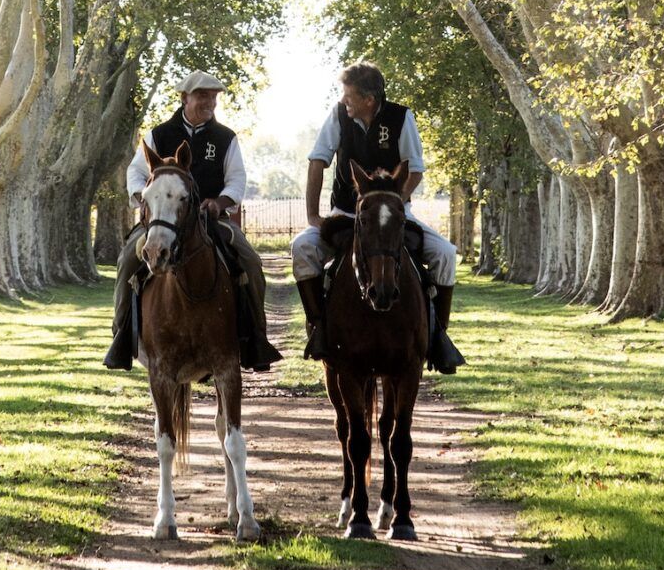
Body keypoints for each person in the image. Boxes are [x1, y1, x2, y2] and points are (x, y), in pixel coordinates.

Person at [292, 59, 466, 374]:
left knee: (445, 254)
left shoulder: (401, 117)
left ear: (368, 99)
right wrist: (313, 215)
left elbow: (414, 169)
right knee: (302, 248)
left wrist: (391, 206)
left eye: (349, 96)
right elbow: (317, 161)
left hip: (393, 212)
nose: (344, 100)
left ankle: (438, 337)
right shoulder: (338, 116)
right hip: (345, 214)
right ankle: (320, 329)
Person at [103, 70, 280, 371]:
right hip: (162, 222)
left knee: (251, 261)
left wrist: (219, 202)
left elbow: (236, 180)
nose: (209, 101)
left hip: (212, 222)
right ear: (185, 98)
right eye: (202, 95)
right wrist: (144, 197)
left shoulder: (226, 138)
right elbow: (135, 174)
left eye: (213, 96)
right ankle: (121, 337)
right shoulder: (158, 135)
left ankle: (256, 339)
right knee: (126, 261)